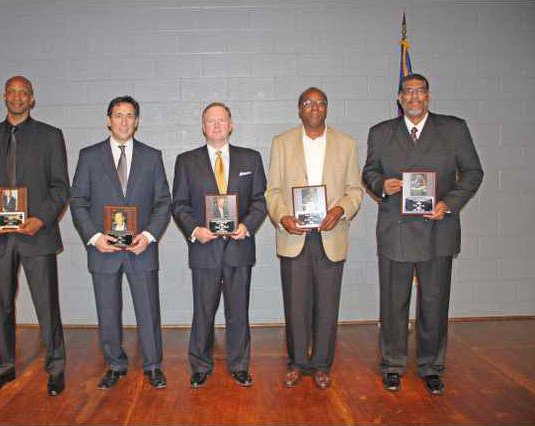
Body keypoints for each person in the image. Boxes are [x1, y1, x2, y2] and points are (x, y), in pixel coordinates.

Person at [362, 73, 483, 395]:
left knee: (434, 302)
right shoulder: (381, 132)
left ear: (428, 96)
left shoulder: (454, 129)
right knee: (393, 302)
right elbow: (369, 171)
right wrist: (381, 185)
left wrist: (448, 204)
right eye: (408, 92)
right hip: (396, 229)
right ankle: (392, 364)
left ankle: (431, 366)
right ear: (399, 98)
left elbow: (473, 172)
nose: (414, 97)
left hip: (437, 228)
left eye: (420, 92)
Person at [0, 75, 69, 396]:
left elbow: (60, 187)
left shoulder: (50, 136)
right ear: (4, 96)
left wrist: (41, 219)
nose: (17, 97)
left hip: (37, 235)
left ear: (32, 98)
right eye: (12, 92)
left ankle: (56, 368)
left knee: (47, 306)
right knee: (1, 306)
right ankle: (3, 368)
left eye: (23, 93)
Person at [70, 96, 171, 390]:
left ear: (137, 121)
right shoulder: (89, 156)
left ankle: (153, 366)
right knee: (107, 311)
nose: (124, 121)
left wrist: (148, 236)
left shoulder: (152, 157)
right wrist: (95, 238)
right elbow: (78, 201)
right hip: (104, 249)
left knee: (148, 310)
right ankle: (114, 364)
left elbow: (163, 202)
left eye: (129, 115)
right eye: (118, 115)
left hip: (141, 249)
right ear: (108, 120)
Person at [265, 87, 363, 389]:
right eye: (308, 103)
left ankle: (322, 364)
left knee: (327, 306)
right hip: (294, 235)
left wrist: (340, 210)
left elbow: (355, 190)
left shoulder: (347, 144)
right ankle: (297, 363)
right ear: (299, 109)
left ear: (327, 108)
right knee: (295, 306)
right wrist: (283, 216)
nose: (314, 107)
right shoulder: (281, 143)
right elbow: (273, 191)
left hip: (331, 235)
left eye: (321, 103)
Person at [172, 102, 267, 388]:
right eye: (210, 121)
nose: (216, 125)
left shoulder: (251, 159)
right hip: (205, 248)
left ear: (231, 124)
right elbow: (179, 204)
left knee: (238, 312)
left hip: (239, 248)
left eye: (222, 120)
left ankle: (239, 365)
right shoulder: (186, 161)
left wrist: (247, 226)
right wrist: (195, 230)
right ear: (203, 127)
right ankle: (200, 365)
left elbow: (260, 200)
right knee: (203, 312)